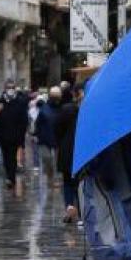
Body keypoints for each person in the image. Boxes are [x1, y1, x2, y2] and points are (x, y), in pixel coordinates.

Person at [0, 81, 28, 188]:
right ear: (5, 89)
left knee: (12, 157)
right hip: (3, 135)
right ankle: (9, 174)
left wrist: (21, 136)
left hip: (15, 135)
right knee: (5, 157)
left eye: (12, 88)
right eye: (8, 88)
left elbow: (24, 120)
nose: (10, 90)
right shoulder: (0, 101)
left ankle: (10, 178)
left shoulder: (20, 102)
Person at [53, 84, 81, 223]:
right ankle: (78, 210)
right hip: (78, 151)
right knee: (77, 182)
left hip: (67, 151)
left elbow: (57, 130)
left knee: (69, 182)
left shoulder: (66, 110)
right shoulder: (84, 110)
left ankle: (70, 207)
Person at [34, 87, 60, 186]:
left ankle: (55, 178)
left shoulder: (61, 108)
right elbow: (38, 123)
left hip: (57, 138)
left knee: (56, 161)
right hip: (44, 138)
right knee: (47, 158)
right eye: (54, 95)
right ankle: (50, 176)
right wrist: (36, 134)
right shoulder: (44, 109)